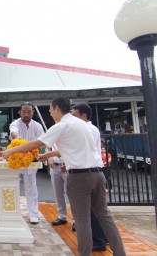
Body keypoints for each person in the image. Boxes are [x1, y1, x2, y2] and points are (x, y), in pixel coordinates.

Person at [3, 97, 126, 256]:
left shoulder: (62, 125)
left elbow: (36, 143)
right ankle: (120, 252)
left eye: (50, 110)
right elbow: (72, 148)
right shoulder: (83, 125)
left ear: (57, 109)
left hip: (80, 178)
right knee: (104, 216)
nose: (50, 113)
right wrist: (49, 154)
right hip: (98, 174)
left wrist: (11, 151)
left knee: (82, 220)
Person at [71, 103, 108, 252]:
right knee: (97, 210)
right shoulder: (89, 129)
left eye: (74, 115)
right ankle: (102, 238)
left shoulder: (88, 130)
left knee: (92, 211)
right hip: (90, 171)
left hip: (88, 173)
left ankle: (98, 241)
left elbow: (81, 150)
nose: (72, 119)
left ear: (84, 116)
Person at [9, 102, 45, 224]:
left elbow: (42, 140)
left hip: (30, 160)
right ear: (20, 112)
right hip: (16, 160)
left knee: (31, 187)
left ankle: (33, 214)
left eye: (29, 112)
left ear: (32, 113)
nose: (26, 114)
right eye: (24, 112)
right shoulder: (15, 123)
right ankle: (12, 213)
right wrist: (17, 138)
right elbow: (13, 132)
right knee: (12, 186)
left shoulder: (38, 126)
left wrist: (36, 149)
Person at [47, 145, 69, 227]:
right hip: (55, 165)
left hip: (67, 164)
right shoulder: (52, 132)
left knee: (71, 193)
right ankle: (62, 216)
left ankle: (75, 219)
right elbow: (48, 146)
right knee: (58, 192)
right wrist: (49, 157)